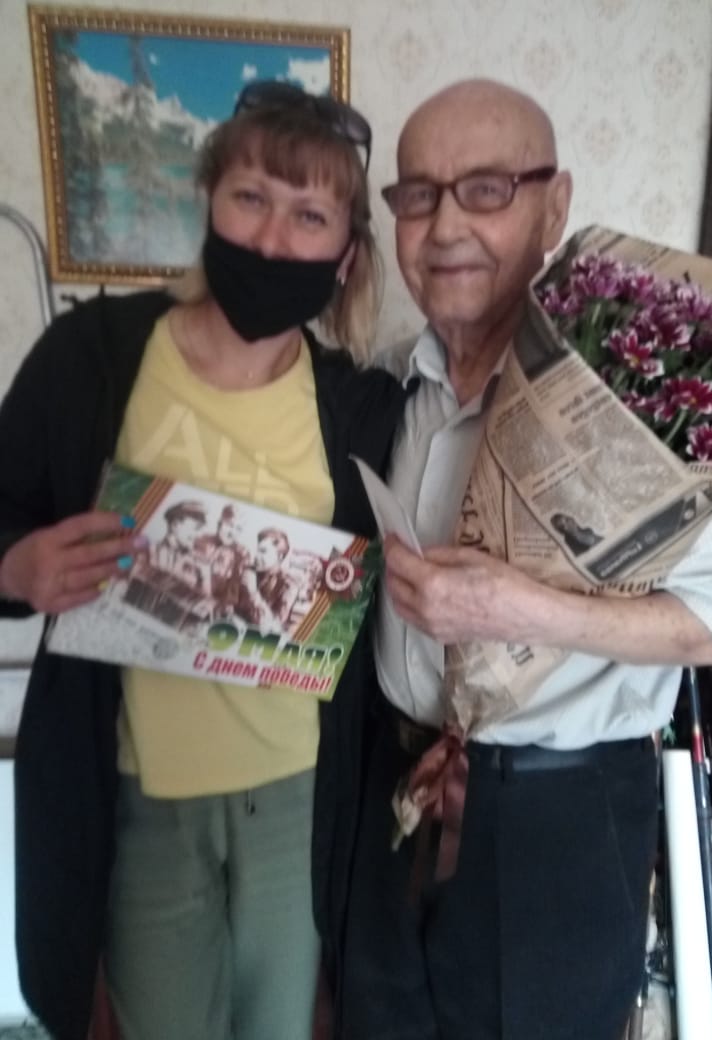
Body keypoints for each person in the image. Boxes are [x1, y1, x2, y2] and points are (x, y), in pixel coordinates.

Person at [337, 79, 712, 1040]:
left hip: (562, 822)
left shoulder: (631, 406)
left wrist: (523, 611)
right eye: (418, 195)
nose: (446, 226)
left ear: (555, 206)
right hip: (395, 793)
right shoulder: (390, 384)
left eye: (487, 189)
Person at [0, 81, 407, 1040]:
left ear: (347, 255)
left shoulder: (362, 406)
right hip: (141, 796)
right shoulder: (95, 355)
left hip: (300, 801)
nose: (272, 237)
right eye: (250, 197)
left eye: (309, 215)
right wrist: (18, 571)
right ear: (208, 201)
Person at [237, 526, 300, 633]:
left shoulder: (289, 585)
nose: (256, 556)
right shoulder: (248, 571)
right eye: (257, 551)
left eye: (263, 551)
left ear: (279, 556)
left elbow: (272, 626)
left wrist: (252, 592)